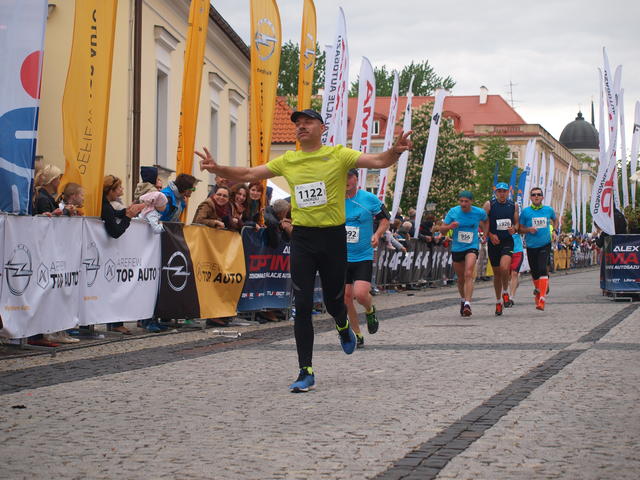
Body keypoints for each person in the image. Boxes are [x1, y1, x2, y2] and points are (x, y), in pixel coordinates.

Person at [196, 108, 412, 392]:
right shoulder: (289, 160)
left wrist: (395, 151)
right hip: (303, 239)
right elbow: (249, 173)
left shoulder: (338, 155)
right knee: (303, 304)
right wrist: (217, 168)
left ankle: (342, 324)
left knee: (335, 302)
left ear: (322, 128)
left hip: (333, 238)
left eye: (308, 122)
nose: (301, 126)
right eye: (298, 123)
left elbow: (377, 160)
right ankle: (305, 370)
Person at [344, 168, 388, 348]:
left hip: (363, 254)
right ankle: (357, 335)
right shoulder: (335, 199)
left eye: (349, 177)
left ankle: (370, 310)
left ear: (356, 178)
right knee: (346, 298)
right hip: (341, 256)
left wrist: (377, 234)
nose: (345, 181)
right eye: (342, 177)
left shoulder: (369, 199)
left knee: (361, 294)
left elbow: (385, 220)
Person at [102, 175, 144, 334]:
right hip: (105, 254)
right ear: (111, 190)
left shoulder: (105, 204)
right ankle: (112, 322)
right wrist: (128, 217)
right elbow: (115, 231)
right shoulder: (104, 206)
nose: (122, 189)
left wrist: (127, 211)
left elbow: (114, 213)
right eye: (119, 187)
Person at [439, 191, 488, 317]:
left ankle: (467, 304)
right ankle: (463, 299)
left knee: (468, 273)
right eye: (461, 201)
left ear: (471, 202)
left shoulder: (479, 212)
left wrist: (485, 234)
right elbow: (442, 230)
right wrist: (450, 226)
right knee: (460, 278)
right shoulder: (453, 212)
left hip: (472, 246)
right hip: (457, 248)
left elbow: (486, 221)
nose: (463, 204)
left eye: (466, 201)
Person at [519, 187, 558, 311]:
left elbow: (555, 220)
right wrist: (528, 229)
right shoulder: (525, 212)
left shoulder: (548, 210)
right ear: (530, 197)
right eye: (534, 194)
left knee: (542, 268)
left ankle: (542, 298)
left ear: (542, 197)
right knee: (535, 272)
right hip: (531, 246)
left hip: (545, 244)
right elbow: (519, 228)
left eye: (539, 194)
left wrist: (554, 231)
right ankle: (539, 290)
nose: (536, 196)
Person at [483, 182, 519, 316]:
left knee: (504, 268)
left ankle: (505, 292)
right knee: (497, 274)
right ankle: (498, 301)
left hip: (507, 241)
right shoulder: (489, 205)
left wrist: (514, 228)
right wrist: (490, 235)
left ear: (508, 192)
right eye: (499, 191)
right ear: (496, 192)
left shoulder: (513, 205)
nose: (502, 194)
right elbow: (482, 221)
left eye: (504, 191)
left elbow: (517, 223)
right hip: (494, 242)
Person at [507, 232, 524, 306]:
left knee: (514, 273)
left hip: (518, 251)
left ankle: (511, 298)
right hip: (507, 251)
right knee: (508, 276)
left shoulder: (517, 225)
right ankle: (515, 282)